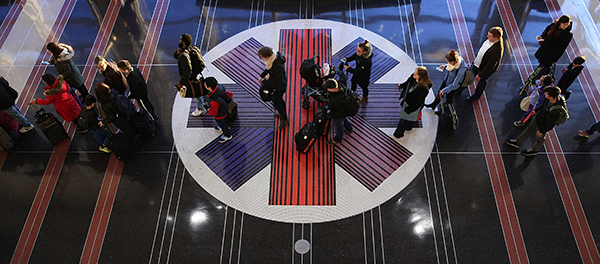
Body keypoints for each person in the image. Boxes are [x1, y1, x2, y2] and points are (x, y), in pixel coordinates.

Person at [506, 87, 566, 156]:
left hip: (544, 123)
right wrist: (536, 110)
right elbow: (543, 105)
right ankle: (518, 141)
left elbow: (550, 123)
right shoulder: (548, 99)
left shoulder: (555, 110)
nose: (545, 94)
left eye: (547, 93)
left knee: (540, 138)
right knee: (529, 129)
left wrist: (542, 131)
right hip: (539, 117)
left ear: (552, 97)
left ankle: (535, 150)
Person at [393, 66, 432, 139]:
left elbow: (417, 103)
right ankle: (409, 127)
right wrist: (401, 86)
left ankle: (398, 134)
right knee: (409, 119)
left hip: (411, 106)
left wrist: (408, 110)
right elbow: (408, 83)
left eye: (416, 73)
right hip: (407, 101)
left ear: (420, 76)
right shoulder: (413, 77)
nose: (414, 74)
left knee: (403, 120)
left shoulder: (423, 89)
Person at [467, 26, 504, 102]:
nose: (487, 36)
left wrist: (480, 75)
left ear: (496, 38)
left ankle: (477, 95)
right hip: (477, 63)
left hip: (485, 69)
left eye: (490, 36)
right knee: (469, 74)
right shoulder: (490, 40)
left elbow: (490, 66)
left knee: (482, 81)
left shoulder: (496, 50)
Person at [531, 15, 573, 81]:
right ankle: (535, 78)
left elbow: (562, 48)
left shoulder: (568, 34)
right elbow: (547, 30)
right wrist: (542, 36)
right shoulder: (554, 25)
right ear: (560, 22)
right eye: (564, 24)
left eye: (567, 24)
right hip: (544, 49)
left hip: (551, 54)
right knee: (542, 67)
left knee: (543, 68)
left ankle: (532, 80)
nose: (565, 26)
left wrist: (555, 59)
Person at [174, 33, 206, 117]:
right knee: (202, 87)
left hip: (191, 77)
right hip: (197, 74)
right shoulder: (191, 50)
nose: (179, 41)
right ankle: (206, 102)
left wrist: (182, 83)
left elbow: (187, 71)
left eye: (180, 40)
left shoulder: (183, 56)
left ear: (183, 43)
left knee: (196, 93)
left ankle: (201, 108)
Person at [257, 46, 289, 129]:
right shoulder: (273, 60)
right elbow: (268, 69)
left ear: (267, 56)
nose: (262, 59)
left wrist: (269, 78)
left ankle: (285, 119)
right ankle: (283, 113)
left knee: (276, 103)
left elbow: (279, 80)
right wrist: (262, 76)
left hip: (279, 87)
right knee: (280, 101)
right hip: (278, 86)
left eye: (262, 57)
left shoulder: (277, 66)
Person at [323, 79, 353, 146]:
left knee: (339, 127)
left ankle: (338, 139)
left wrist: (330, 113)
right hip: (344, 112)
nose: (327, 89)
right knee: (344, 119)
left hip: (338, 116)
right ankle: (349, 129)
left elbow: (339, 113)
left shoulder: (337, 100)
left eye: (328, 88)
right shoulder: (342, 87)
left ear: (332, 89)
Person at [343, 39, 373, 104]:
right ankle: (352, 94)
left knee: (364, 87)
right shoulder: (359, 54)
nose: (357, 52)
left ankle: (365, 97)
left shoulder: (367, 62)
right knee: (353, 81)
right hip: (357, 74)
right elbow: (355, 56)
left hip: (364, 77)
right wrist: (347, 59)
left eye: (359, 51)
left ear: (364, 52)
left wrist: (349, 69)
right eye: (357, 49)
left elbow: (359, 71)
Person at [203, 77, 232, 143]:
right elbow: (228, 94)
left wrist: (209, 111)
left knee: (223, 124)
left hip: (220, 115)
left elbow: (214, 112)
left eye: (205, 85)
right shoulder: (220, 87)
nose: (204, 85)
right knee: (223, 122)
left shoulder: (213, 101)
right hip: (224, 108)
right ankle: (222, 127)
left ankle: (227, 135)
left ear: (209, 87)